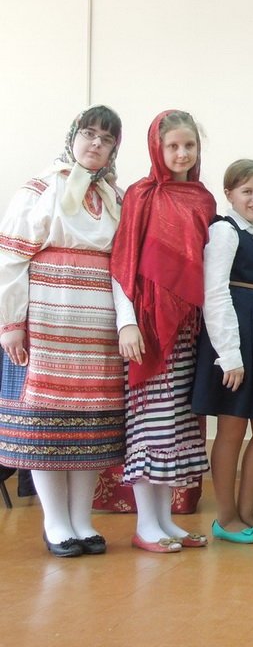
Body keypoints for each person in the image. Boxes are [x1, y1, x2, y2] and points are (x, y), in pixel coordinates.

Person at [0, 107, 126, 557]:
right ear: (73, 137)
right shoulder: (39, 189)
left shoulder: (115, 197)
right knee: (49, 423)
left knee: (90, 423)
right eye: (88, 134)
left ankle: (82, 520)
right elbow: (11, 259)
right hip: (49, 322)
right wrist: (11, 324)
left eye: (106, 139)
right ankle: (55, 522)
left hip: (98, 328)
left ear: (114, 149)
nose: (95, 144)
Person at [111, 109, 216, 553]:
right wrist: (127, 322)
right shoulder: (140, 195)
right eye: (172, 146)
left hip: (187, 330)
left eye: (189, 145)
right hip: (149, 330)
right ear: (157, 147)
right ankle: (145, 524)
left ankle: (165, 520)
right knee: (152, 426)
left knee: (177, 425)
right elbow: (122, 263)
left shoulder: (203, 199)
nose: (181, 153)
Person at [192, 159, 253, 544]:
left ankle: (248, 512)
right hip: (237, 336)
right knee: (232, 425)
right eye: (247, 191)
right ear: (229, 193)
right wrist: (229, 354)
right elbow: (215, 292)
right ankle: (226, 517)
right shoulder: (224, 231)